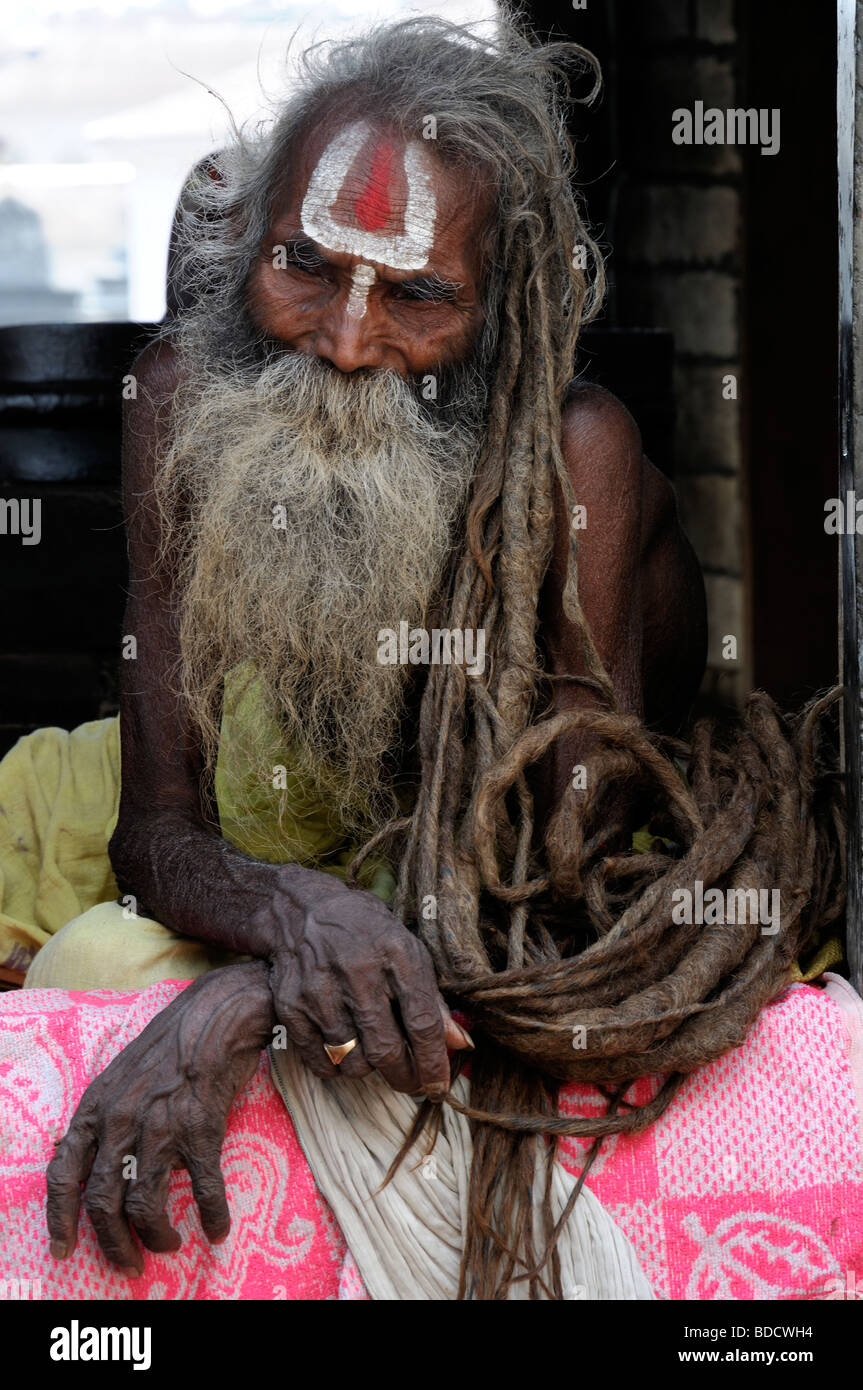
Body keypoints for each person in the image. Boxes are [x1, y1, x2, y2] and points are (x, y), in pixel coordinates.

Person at [0, 15, 857, 1301]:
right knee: (73, 911)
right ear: (250, 249)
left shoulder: (577, 459)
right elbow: (157, 825)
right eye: (305, 265)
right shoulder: (181, 393)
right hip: (265, 811)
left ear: (502, 310)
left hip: (481, 876)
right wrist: (293, 916)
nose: (344, 343)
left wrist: (254, 1002)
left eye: (415, 294)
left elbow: (544, 901)